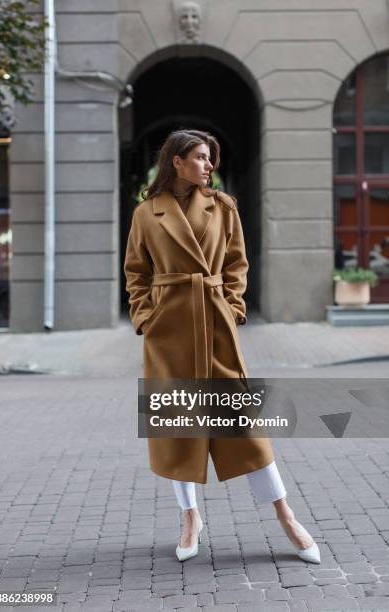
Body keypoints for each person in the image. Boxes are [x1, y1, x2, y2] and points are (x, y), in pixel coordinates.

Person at [124, 129, 320, 564]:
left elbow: (236, 263)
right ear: (176, 161)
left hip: (215, 326)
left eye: (210, 157)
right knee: (179, 428)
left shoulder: (223, 206)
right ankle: (190, 516)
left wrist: (232, 308)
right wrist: (146, 317)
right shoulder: (146, 214)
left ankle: (285, 515)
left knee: (245, 428)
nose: (208, 164)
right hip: (168, 332)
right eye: (199, 157)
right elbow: (136, 272)